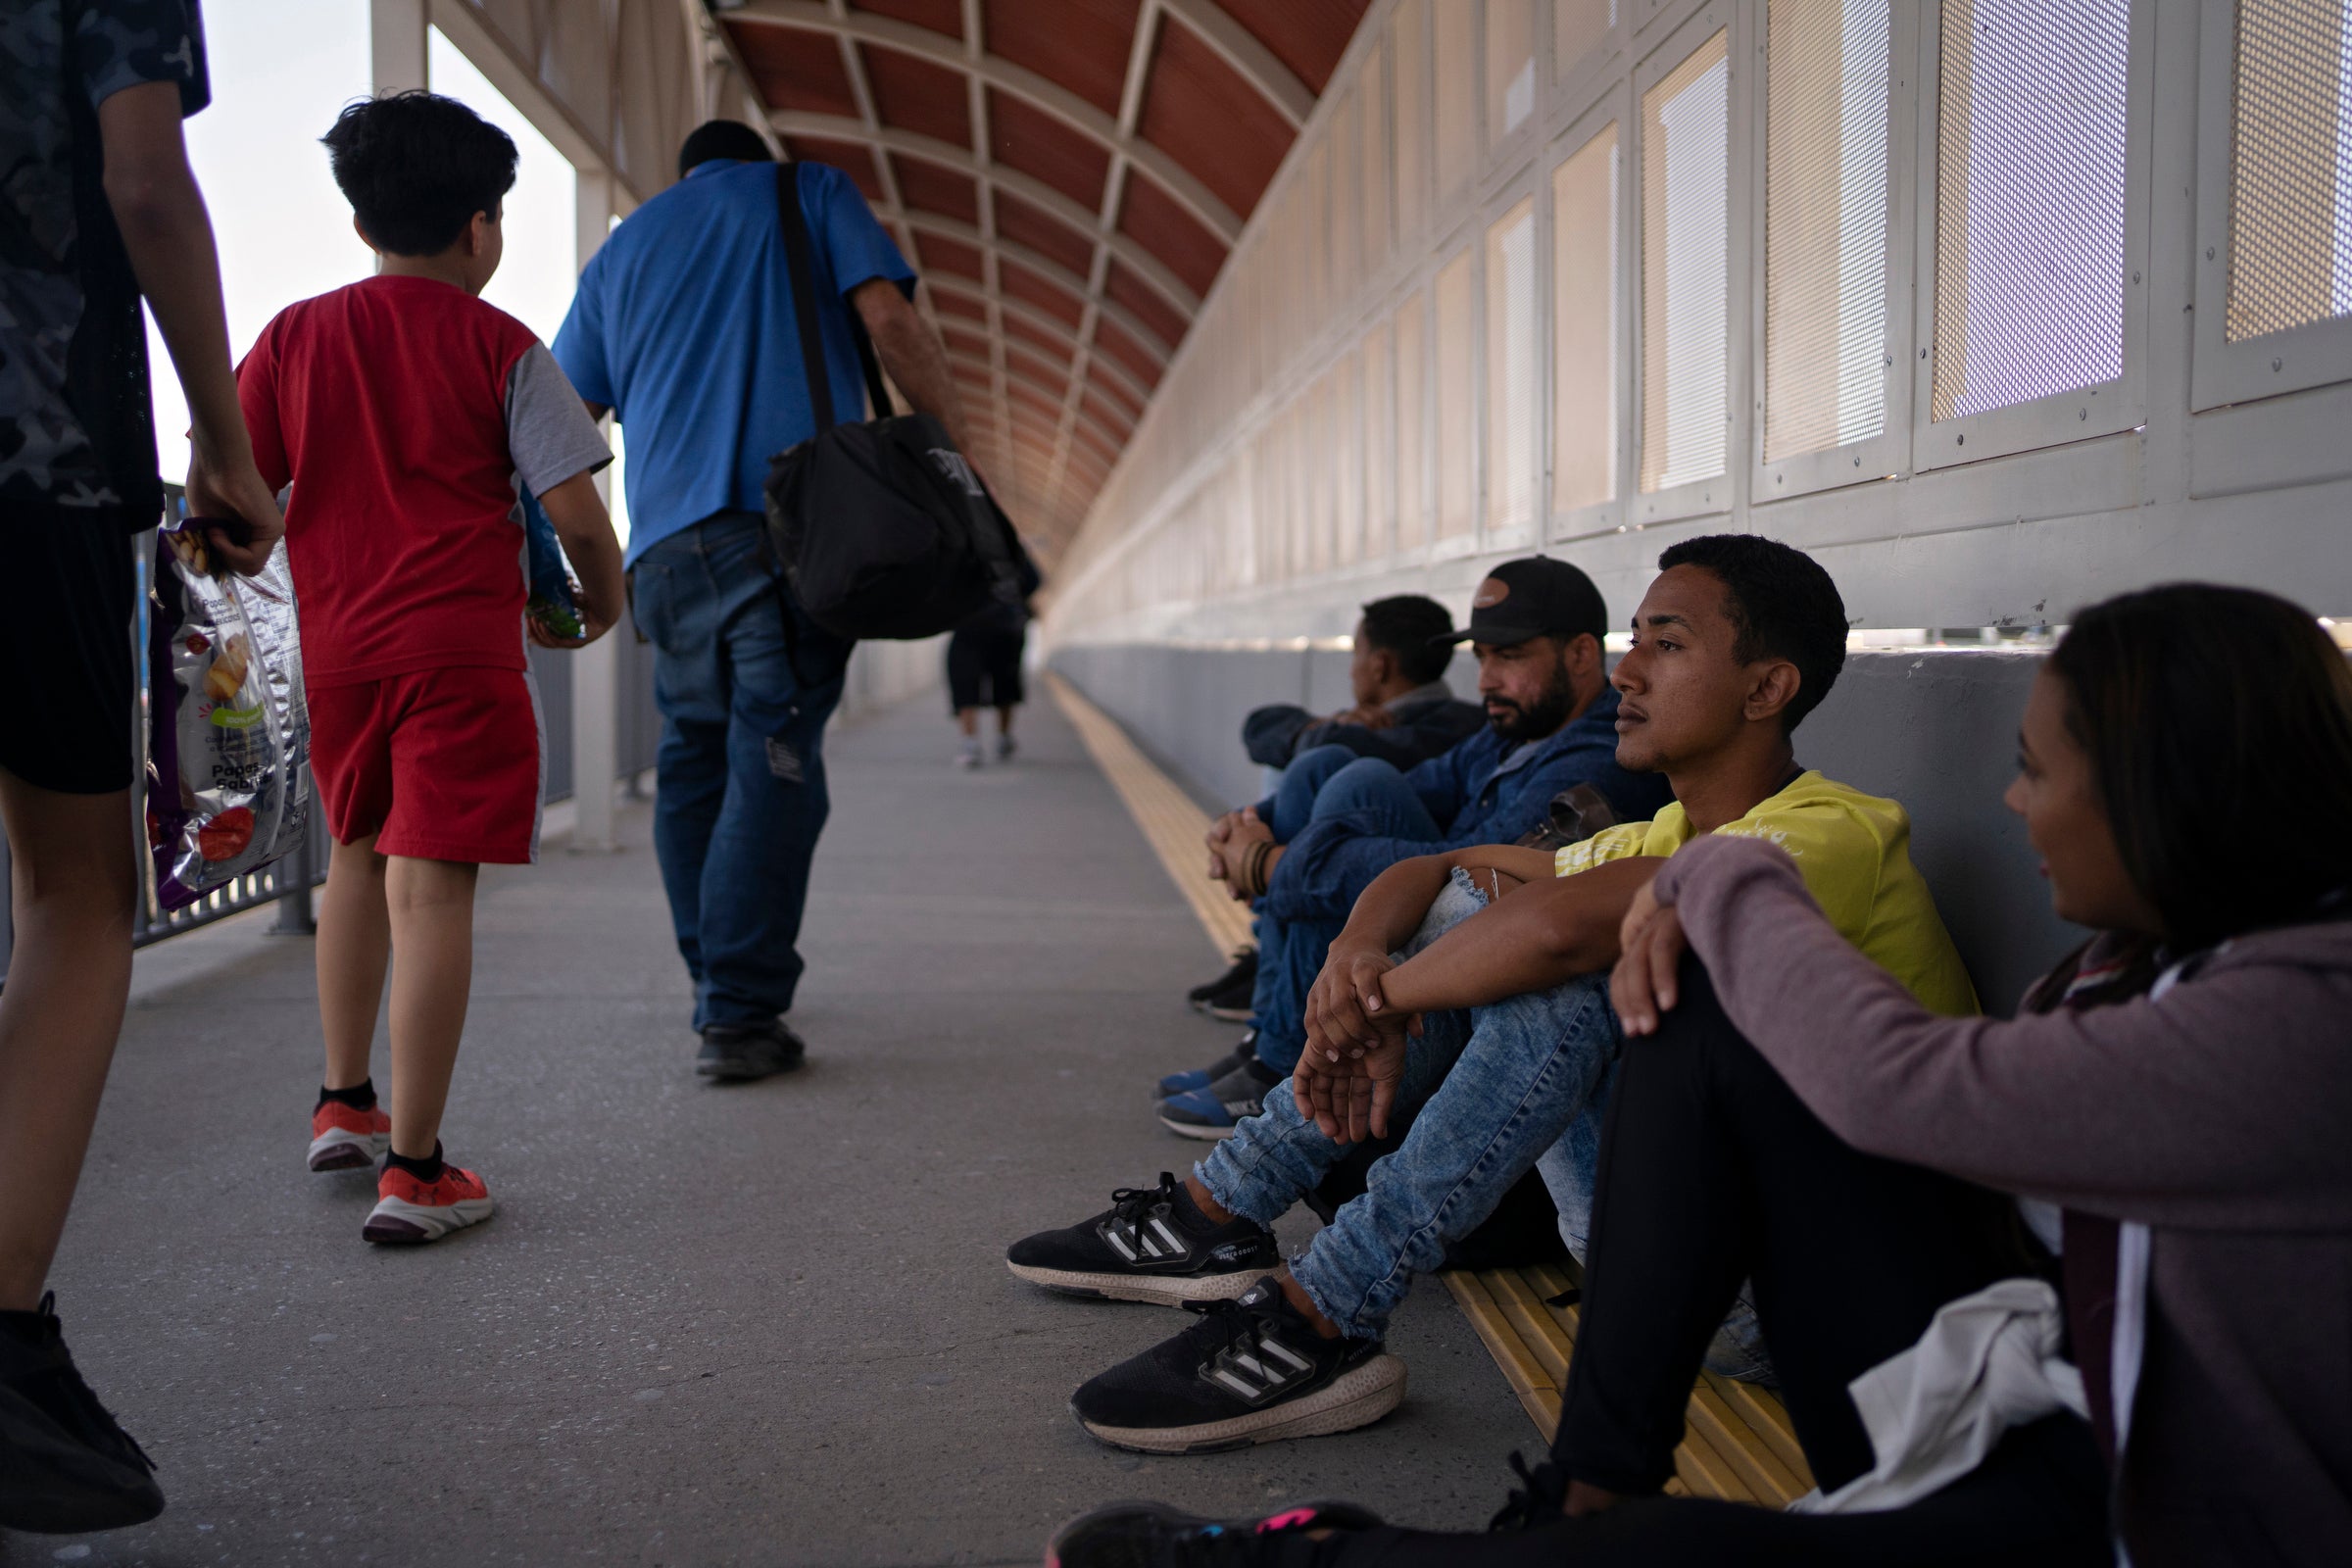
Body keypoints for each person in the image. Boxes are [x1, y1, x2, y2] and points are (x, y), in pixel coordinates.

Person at [1045, 582, 2352, 1567]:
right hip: (1990, 1367)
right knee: (1596, 962)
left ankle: (1324, 1381)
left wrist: (1697, 881)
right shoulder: (2135, 963)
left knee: (1612, 968)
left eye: (2037, 768)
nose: (2014, 806)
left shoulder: (2289, 1016)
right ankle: (1574, 1471)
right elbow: (1445, 875)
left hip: (2062, 1451)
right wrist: (1367, 957)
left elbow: (1898, 1083)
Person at [1016, 537, 1978, 1455]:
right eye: (1633, 639)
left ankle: (1318, 1310)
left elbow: (1563, 929)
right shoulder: (1669, 830)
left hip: (1820, 1297)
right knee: (1477, 912)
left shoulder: (1836, 833)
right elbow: (1440, 873)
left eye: (1668, 645)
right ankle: (1225, 1211)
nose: (1630, 671)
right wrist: (1359, 945)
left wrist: (1379, 1002)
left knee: (1564, 963)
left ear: (1769, 687)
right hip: (1677, 1253)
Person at [236, 92, 625, 1248]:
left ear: (362, 223)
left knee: (354, 861)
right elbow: (577, 515)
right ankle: (417, 1167)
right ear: (481, 228)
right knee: (433, 888)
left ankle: (343, 1099)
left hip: (341, 653)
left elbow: (240, 500)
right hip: (458, 652)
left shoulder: (295, 336)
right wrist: (600, 607)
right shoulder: (502, 346)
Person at [0, 0, 286, 1535]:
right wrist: (223, 440)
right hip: (27, 449)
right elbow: (142, 179)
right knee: (76, 890)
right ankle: (2, 1334)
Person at [553, 121, 979, 1084]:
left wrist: (571, 550)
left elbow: (565, 415)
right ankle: (738, 1010)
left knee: (691, 759)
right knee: (775, 752)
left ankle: (718, 979)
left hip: (663, 551)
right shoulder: (810, 192)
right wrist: (952, 452)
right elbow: (892, 322)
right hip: (785, 529)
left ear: (686, 168)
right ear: (751, 157)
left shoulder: (621, 252)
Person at [1157, 557, 1672, 1136]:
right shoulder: (1511, 732)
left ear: (1580, 654)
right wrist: (1247, 829)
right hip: (1430, 924)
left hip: (1475, 965)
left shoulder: (1600, 754)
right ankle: (1272, 1034)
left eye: (1509, 655)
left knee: (1357, 783)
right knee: (1331, 767)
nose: (1485, 681)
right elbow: (1427, 785)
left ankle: (1279, 1057)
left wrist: (1269, 865)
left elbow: (1472, 872)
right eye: (1480, 658)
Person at [1187, 595, 1487, 1022]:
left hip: (1401, 894)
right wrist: (1245, 824)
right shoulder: (1392, 722)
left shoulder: (1450, 727)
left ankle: (1271, 1017)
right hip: (1384, 882)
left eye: (1356, 655)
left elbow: (1319, 747)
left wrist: (1328, 731)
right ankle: (1268, 989)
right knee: (1309, 767)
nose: (1351, 669)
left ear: (1379, 665)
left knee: (1326, 770)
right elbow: (1260, 726)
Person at [948, 596, 1029, 769]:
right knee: (1005, 685)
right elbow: (1032, 582)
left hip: (968, 626)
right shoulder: (1012, 567)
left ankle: (971, 745)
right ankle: (1003, 738)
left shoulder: (958, 568)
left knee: (965, 685)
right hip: (1005, 626)